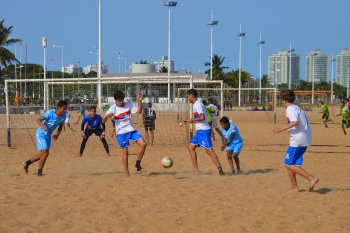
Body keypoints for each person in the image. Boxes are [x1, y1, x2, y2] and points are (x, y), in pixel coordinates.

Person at [273, 89, 319, 192]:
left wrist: (280, 129)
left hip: (298, 140)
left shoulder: (290, 108)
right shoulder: (297, 108)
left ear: (284, 100)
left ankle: (312, 178)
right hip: (304, 138)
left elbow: (295, 122)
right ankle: (294, 187)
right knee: (293, 165)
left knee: (288, 163)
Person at [102, 90, 147, 177]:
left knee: (144, 144)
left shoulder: (128, 104)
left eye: (122, 99)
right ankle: (127, 173)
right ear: (116, 100)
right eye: (120, 100)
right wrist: (107, 116)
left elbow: (139, 112)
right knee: (125, 151)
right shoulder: (112, 108)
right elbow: (103, 122)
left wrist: (140, 101)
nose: (122, 102)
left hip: (131, 129)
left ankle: (137, 165)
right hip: (121, 133)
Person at [183, 89, 226, 176]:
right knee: (191, 148)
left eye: (188, 97)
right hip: (200, 131)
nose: (187, 99)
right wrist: (191, 121)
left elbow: (202, 117)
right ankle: (196, 171)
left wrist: (192, 119)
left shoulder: (197, 105)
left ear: (192, 96)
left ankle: (221, 171)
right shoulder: (197, 104)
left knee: (209, 151)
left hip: (204, 131)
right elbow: (202, 119)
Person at [22, 100, 68, 176]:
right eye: (64, 108)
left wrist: (57, 135)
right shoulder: (50, 113)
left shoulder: (63, 116)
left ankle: (26, 163)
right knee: (46, 153)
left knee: (43, 155)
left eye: (66, 108)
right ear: (59, 108)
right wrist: (43, 126)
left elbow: (61, 126)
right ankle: (39, 173)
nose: (65, 110)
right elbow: (38, 120)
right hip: (41, 134)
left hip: (48, 136)